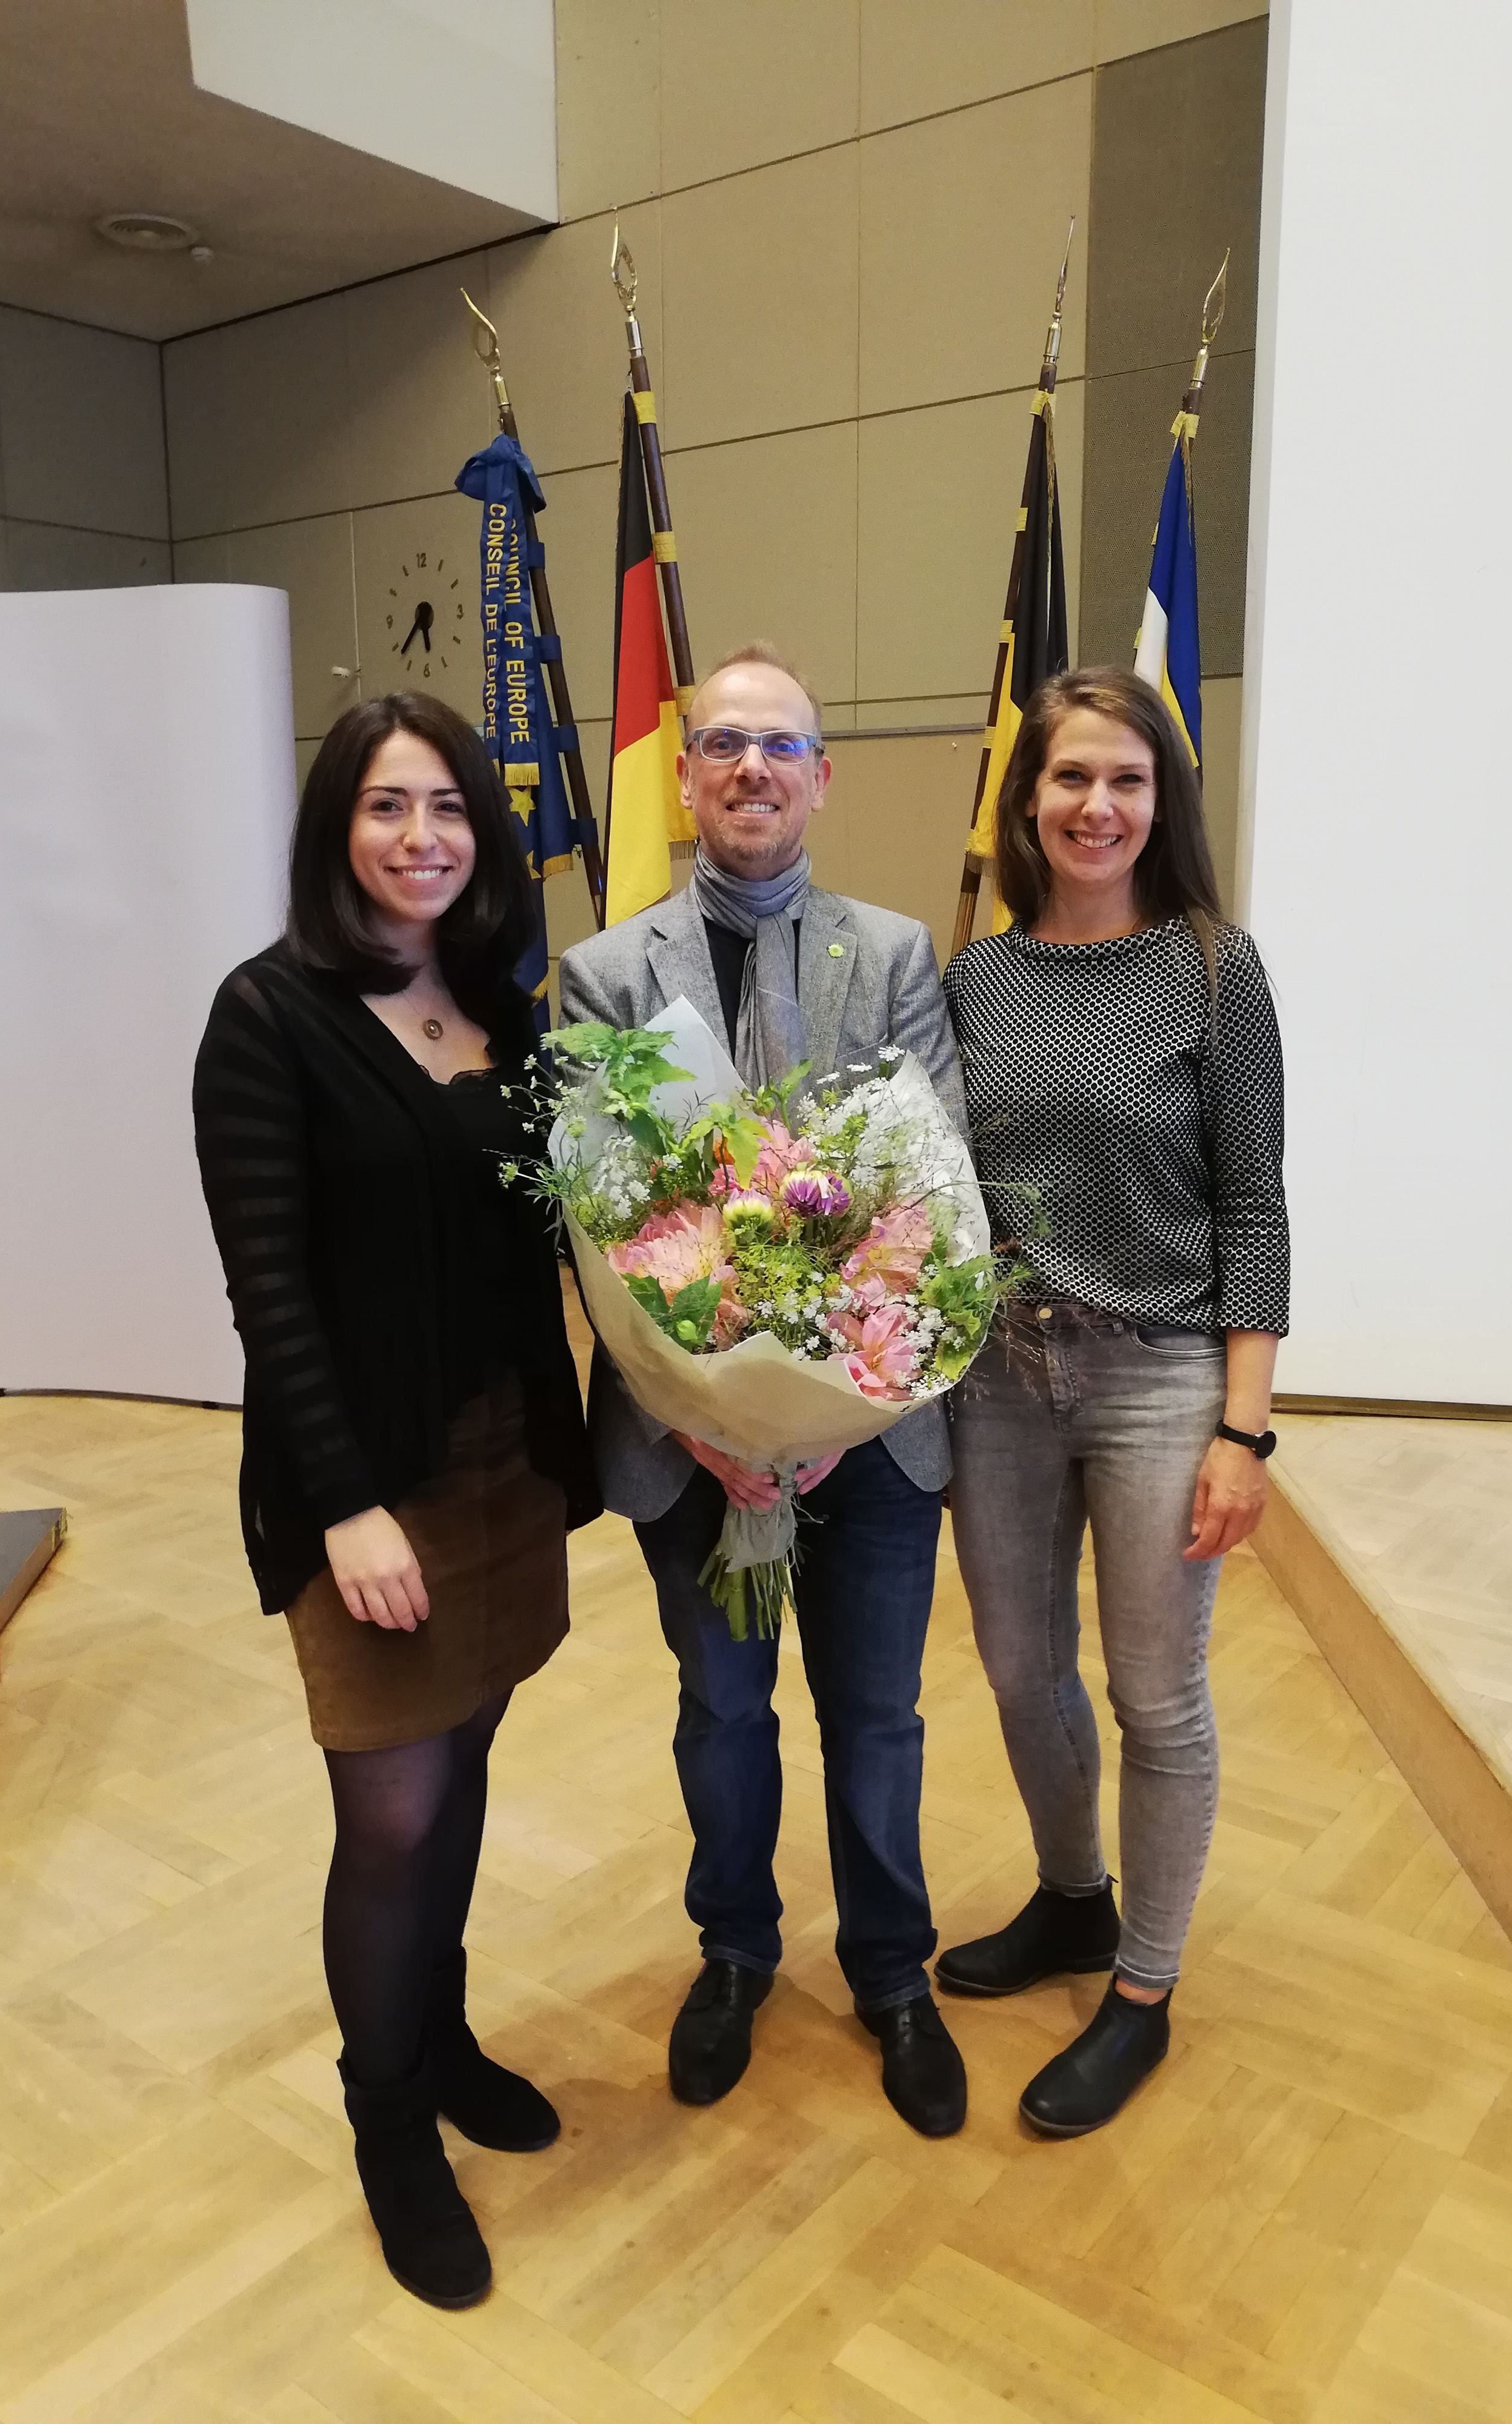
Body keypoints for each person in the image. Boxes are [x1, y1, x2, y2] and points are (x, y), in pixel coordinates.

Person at [193, 693, 599, 2308]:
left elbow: (578, 1234)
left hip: (508, 1456)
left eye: (444, 806)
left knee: (475, 1744)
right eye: (384, 807)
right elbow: (267, 1289)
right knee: (393, 1804)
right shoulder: (268, 1015)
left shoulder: (506, 1005)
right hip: (361, 1478)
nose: (419, 835)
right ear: (334, 830)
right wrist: (349, 1507)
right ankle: (386, 2123)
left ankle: (437, 2038)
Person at [558, 642, 970, 2137]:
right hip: (691, 1445)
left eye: (778, 745)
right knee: (724, 1711)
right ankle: (734, 1955)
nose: (748, 769)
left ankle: (892, 1971)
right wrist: (710, 1409)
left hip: (873, 1432)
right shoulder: (607, 972)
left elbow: (931, 1192)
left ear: (819, 774)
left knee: (876, 1714)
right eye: (722, 743)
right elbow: (604, 1215)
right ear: (687, 772)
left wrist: (827, 1396)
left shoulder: (898, 951)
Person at [938, 666, 1289, 2136]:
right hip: (999, 1379)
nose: (1098, 805)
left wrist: (1243, 1426)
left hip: (1159, 1380)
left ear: (1163, 803)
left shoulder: (1217, 966)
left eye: (1126, 781)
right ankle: (1075, 1900)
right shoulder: (977, 982)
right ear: (1028, 800)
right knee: (1022, 1674)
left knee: (1157, 1692)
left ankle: (1142, 1984)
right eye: (1071, 777)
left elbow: (1256, 1207)